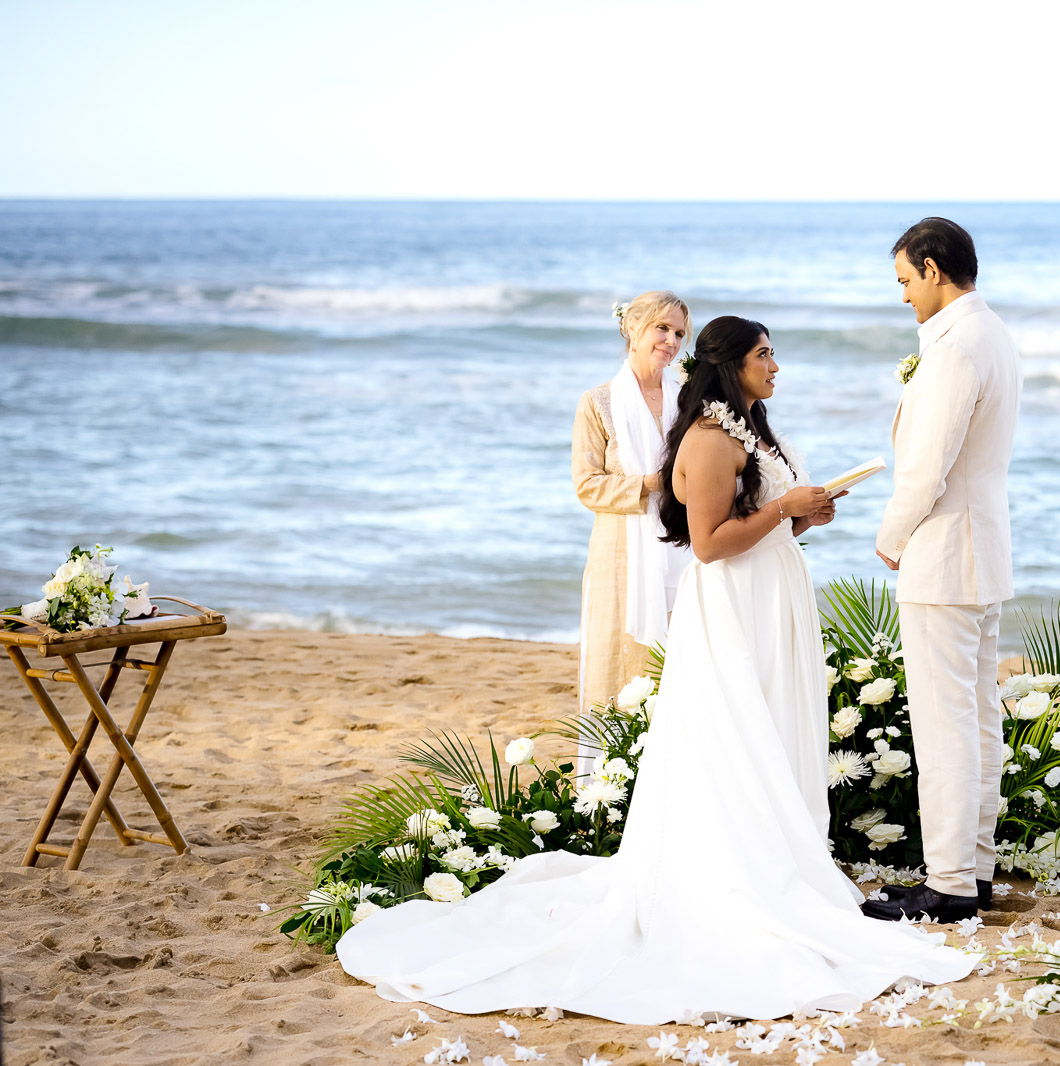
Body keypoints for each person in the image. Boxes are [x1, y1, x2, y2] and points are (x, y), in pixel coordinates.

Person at [336, 316, 974, 1022]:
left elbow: (759, 522)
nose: (777, 365)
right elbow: (708, 544)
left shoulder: (753, 431)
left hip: (773, 599)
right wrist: (784, 509)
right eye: (765, 355)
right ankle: (741, 876)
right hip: (733, 611)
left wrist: (804, 516)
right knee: (739, 736)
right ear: (731, 365)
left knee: (778, 725)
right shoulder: (705, 440)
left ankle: (788, 865)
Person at [863, 218, 1022, 924]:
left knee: (944, 723)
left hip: (944, 553)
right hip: (982, 550)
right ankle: (974, 871)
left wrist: (890, 535)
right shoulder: (995, 335)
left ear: (932, 269)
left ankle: (952, 882)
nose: (902, 297)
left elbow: (926, 467)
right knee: (978, 719)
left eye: (903, 280)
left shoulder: (956, 350)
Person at [571, 292, 695, 775]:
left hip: (682, 546)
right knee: (616, 660)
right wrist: (650, 484)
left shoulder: (688, 398)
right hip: (619, 552)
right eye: (662, 329)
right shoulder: (598, 402)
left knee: (675, 663)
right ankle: (609, 782)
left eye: (680, 333)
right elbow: (587, 485)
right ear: (633, 329)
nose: (671, 341)